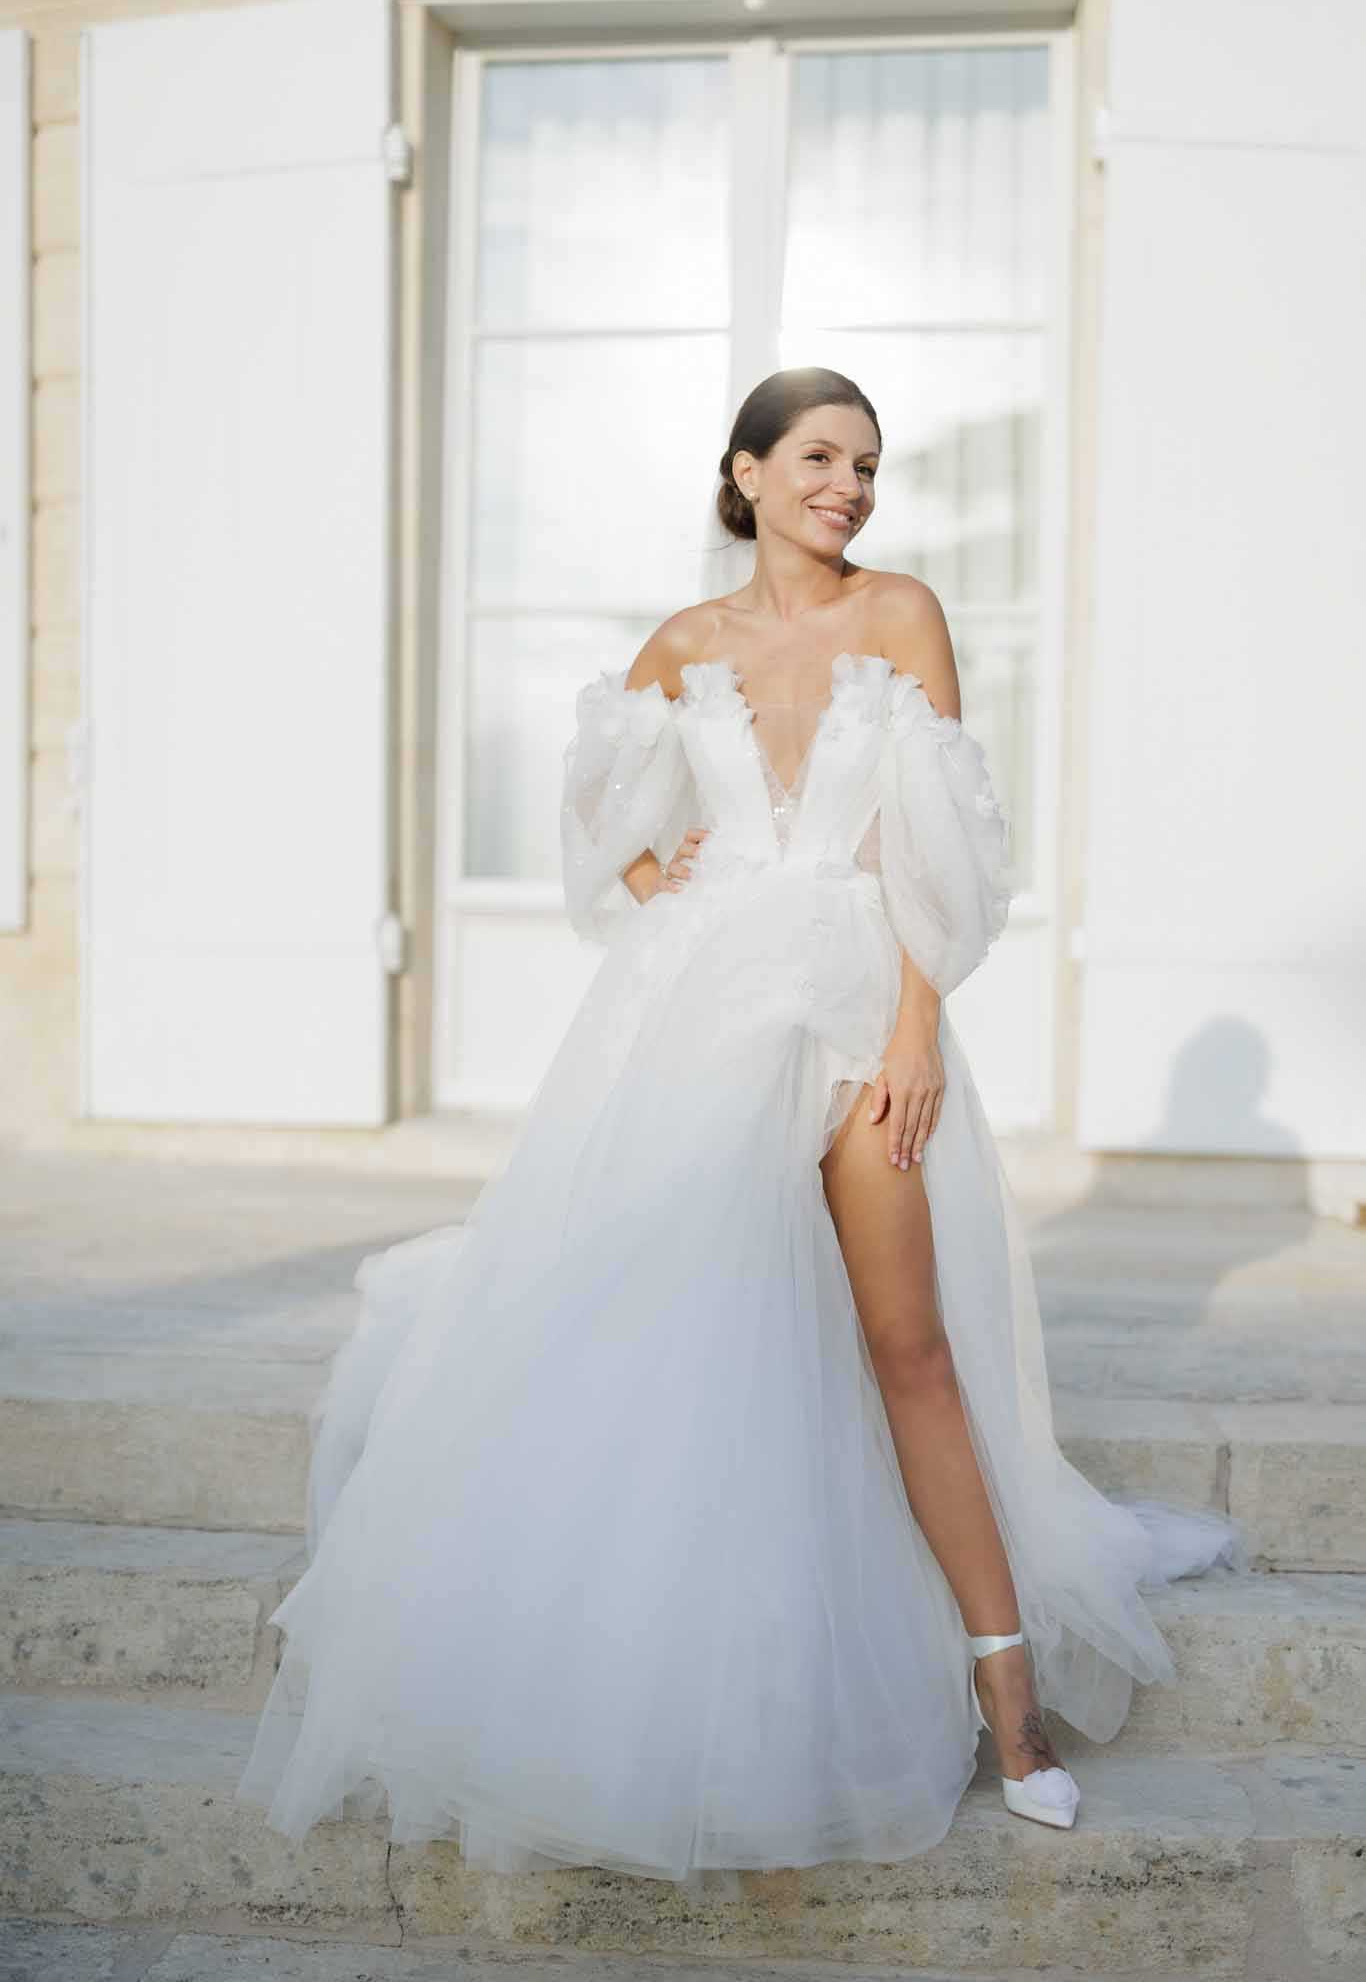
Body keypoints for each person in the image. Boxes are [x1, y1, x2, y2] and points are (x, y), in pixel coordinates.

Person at [236, 366, 1248, 1884]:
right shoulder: (682, 645)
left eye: (867, 464)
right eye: (821, 458)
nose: (847, 485)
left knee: (904, 1345)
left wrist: (912, 1039)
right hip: (698, 1023)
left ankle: (1010, 1696)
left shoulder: (899, 616)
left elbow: (935, 846)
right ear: (748, 471)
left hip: (856, 1015)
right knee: (685, 1334)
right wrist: (663, 882)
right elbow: (599, 828)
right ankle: (681, 1680)